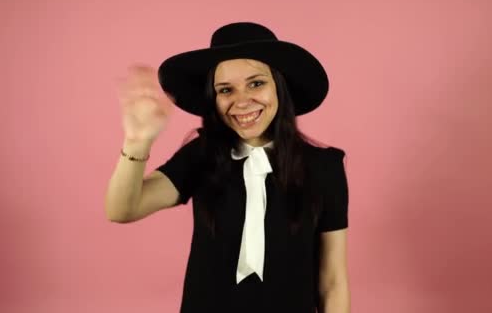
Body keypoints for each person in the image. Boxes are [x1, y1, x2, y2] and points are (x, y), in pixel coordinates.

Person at [105, 22, 350, 313]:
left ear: (279, 88)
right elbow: (122, 210)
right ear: (215, 99)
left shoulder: (325, 168)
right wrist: (137, 141)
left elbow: (332, 281)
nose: (242, 101)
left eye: (256, 83)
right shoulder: (202, 155)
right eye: (225, 89)